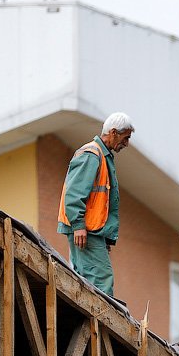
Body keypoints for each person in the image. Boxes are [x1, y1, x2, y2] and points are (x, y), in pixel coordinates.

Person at [57, 112, 134, 296]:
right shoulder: (92, 154)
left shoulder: (101, 156)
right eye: (125, 138)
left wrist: (104, 236)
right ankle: (102, 325)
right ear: (114, 132)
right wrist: (78, 226)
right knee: (101, 282)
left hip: (91, 231)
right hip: (86, 231)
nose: (127, 143)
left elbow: (99, 202)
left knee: (87, 284)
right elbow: (74, 194)